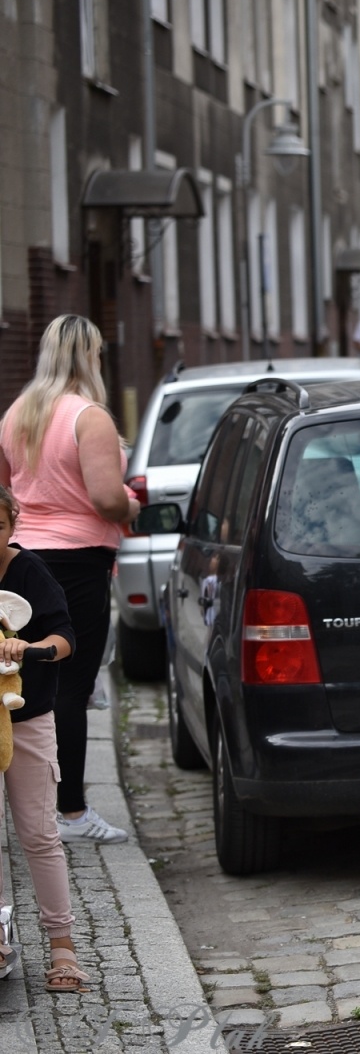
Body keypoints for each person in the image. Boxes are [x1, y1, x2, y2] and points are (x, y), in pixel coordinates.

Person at [0, 314, 137, 845]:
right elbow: (106, 499)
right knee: (72, 685)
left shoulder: (17, 414)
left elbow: (9, 496)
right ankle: (73, 812)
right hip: (79, 561)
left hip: (24, 558)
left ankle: (35, 806)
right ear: (88, 356)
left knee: (26, 680)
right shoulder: (88, 416)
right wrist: (133, 503)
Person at [0, 485, 91, 992]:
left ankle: (63, 947)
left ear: (12, 525)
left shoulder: (30, 571)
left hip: (27, 716)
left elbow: (65, 640)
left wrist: (29, 648)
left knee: (37, 833)